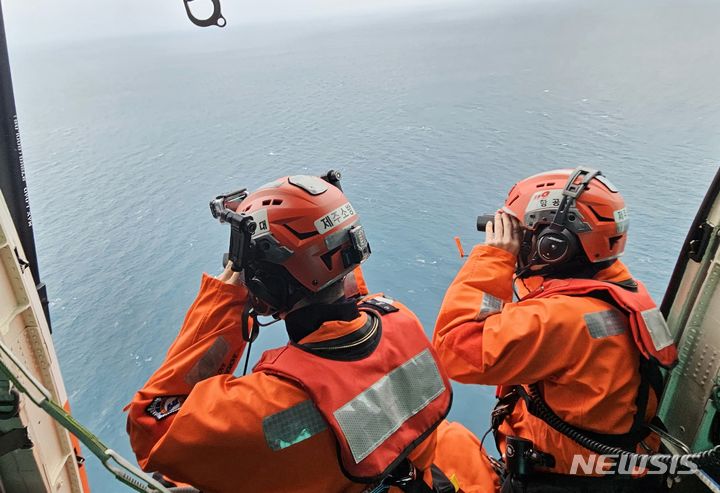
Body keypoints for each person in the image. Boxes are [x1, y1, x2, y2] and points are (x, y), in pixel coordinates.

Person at [126, 173, 499, 493]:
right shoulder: (402, 322)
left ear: (265, 285)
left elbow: (154, 429)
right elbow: (355, 307)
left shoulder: (271, 408)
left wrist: (228, 296)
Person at [433, 167, 678, 492]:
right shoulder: (619, 291)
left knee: (437, 454)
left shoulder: (560, 319)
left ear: (554, 246)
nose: (517, 245)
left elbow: (455, 350)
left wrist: (494, 258)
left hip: (559, 482)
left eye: (523, 235)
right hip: (616, 474)